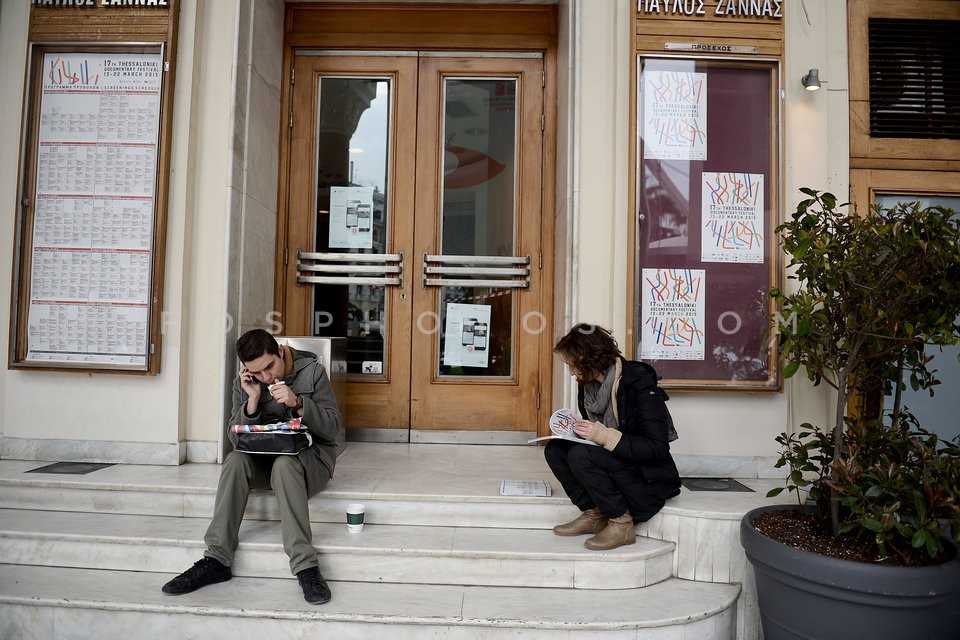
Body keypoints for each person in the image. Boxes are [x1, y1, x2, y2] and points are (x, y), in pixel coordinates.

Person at [162, 329, 343, 604]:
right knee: (235, 460)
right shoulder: (246, 383)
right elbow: (235, 440)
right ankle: (216, 560)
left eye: (270, 367)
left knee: (285, 465)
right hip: (263, 462)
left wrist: (298, 403)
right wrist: (252, 401)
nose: (266, 376)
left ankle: (305, 566)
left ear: (280, 352)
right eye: (256, 372)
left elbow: (332, 429)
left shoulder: (313, 372)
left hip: (309, 462)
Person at [545, 323, 681, 551]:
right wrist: (576, 432)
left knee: (581, 454)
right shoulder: (588, 387)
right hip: (619, 462)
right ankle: (595, 514)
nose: (571, 372)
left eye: (573, 365)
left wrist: (601, 434)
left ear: (590, 359)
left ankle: (621, 523)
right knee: (555, 449)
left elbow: (656, 447)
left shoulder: (639, 384)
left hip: (647, 479)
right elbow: (598, 437)